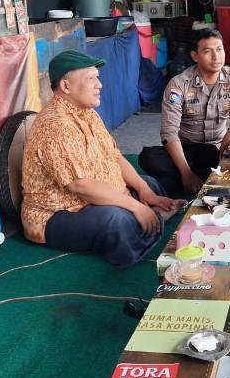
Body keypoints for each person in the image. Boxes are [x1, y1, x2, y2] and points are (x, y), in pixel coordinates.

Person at [21, 50, 185, 267]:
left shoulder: (87, 112)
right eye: (91, 78)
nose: (99, 84)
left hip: (94, 195)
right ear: (66, 86)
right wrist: (136, 207)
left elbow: (114, 156)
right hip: (58, 213)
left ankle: (151, 220)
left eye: (97, 77)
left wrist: (144, 191)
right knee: (116, 220)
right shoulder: (56, 125)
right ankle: (154, 221)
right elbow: (81, 186)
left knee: (149, 184)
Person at [139, 29, 230, 193]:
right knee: (148, 158)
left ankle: (174, 182)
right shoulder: (179, 84)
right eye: (207, 51)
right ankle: (194, 175)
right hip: (186, 150)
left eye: (219, 49)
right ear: (195, 56)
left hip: (218, 148)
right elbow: (169, 132)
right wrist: (186, 172)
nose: (216, 57)